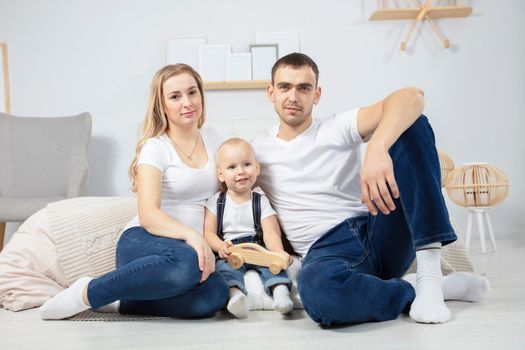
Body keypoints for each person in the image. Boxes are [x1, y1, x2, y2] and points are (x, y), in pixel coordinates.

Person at [251, 52, 490, 326]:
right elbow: (227, 194)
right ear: (271, 92)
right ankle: (415, 288)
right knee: (318, 291)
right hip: (326, 251)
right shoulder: (256, 151)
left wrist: (377, 147)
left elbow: (412, 96)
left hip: (376, 227)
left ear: (316, 94)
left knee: (413, 124)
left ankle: (430, 277)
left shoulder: (335, 127)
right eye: (284, 87)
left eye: (303, 88)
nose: (293, 96)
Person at [39, 64, 229, 320]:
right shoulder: (155, 147)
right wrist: (192, 237)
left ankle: (122, 303)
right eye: (175, 96)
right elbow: (149, 214)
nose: (187, 102)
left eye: (192, 92)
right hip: (145, 241)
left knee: (215, 294)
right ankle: (87, 292)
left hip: (188, 253)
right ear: (162, 105)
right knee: (186, 261)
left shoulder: (214, 137)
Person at [203, 138, 293, 319]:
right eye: (232, 167)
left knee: (272, 265)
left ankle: (280, 292)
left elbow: (271, 232)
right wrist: (220, 246)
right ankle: (236, 296)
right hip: (231, 249)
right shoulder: (216, 201)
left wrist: (277, 251)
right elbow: (208, 233)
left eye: (247, 164)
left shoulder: (260, 200)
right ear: (220, 175)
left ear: (257, 168)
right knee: (224, 270)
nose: (241, 171)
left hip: (256, 246)